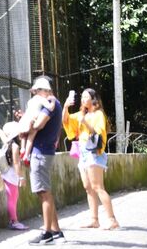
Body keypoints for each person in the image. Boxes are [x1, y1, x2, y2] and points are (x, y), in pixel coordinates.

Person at [62, 88, 119, 230]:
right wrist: (65, 106)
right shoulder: (82, 114)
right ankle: (94, 220)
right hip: (83, 153)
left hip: (94, 152)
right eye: (82, 97)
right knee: (88, 188)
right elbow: (66, 121)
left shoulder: (98, 114)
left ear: (93, 99)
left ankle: (112, 220)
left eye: (86, 96)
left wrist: (85, 123)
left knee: (98, 187)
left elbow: (99, 133)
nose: (82, 99)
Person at [24, 77, 66, 246]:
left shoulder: (50, 102)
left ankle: (46, 233)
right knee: (45, 191)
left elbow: (39, 125)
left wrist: (28, 125)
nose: (35, 94)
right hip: (45, 151)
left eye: (36, 91)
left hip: (41, 152)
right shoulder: (55, 103)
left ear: (44, 90)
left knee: (44, 193)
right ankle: (56, 232)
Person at [0, 118, 28, 230]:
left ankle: (13, 220)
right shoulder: (15, 146)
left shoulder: (8, 142)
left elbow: (0, 131)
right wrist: (21, 177)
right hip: (11, 175)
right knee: (12, 198)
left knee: (13, 197)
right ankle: (14, 221)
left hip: (5, 173)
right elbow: (16, 163)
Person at [18, 93, 57, 165]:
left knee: (24, 135)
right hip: (33, 120)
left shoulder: (31, 100)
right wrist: (53, 101)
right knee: (30, 138)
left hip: (25, 119)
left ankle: (22, 149)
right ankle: (26, 156)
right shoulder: (42, 99)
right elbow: (51, 108)